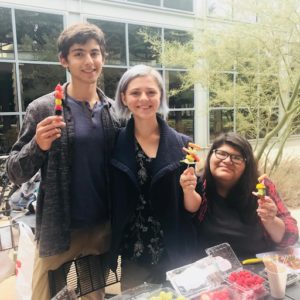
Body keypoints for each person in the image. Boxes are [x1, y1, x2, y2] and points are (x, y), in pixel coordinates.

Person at [6, 22, 124, 300]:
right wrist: (38, 145)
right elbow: (14, 172)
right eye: (79, 53)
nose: (89, 61)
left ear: (103, 58)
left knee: (93, 297)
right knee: (44, 296)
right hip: (59, 229)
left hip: (101, 228)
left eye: (95, 53)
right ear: (64, 60)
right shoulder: (43, 108)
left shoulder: (114, 113)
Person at [109, 64, 202, 290]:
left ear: (160, 96)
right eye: (135, 92)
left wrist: (189, 191)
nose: (144, 98)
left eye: (151, 92)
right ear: (123, 98)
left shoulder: (183, 145)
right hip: (133, 253)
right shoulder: (113, 143)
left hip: (175, 251)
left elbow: (193, 207)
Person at [195, 132, 299, 258]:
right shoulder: (195, 186)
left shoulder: (261, 185)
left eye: (237, 157)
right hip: (211, 269)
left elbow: (291, 236)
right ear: (210, 156)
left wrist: (270, 220)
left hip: (258, 266)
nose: (227, 161)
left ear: (247, 165)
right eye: (221, 154)